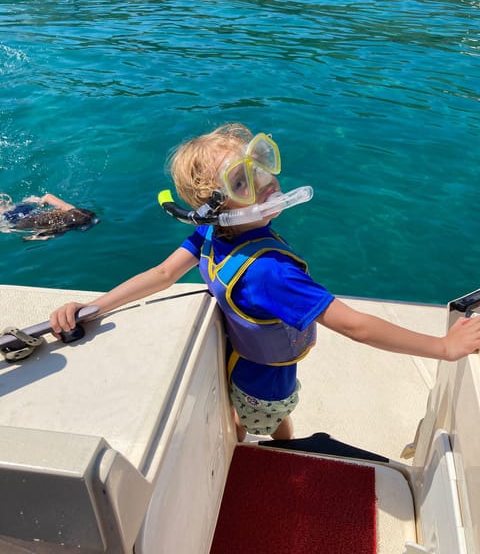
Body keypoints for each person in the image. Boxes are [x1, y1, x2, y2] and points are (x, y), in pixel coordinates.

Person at [49, 123, 480, 442]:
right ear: (218, 206)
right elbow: (355, 325)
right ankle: (281, 452)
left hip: (241, 358)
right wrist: (442, 348)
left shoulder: (212, 235)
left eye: (259, 164)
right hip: (265, 379)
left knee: (251, 418)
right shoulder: (271, 272)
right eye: (242, 180)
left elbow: (163, 275)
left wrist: (94, 307)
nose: (265, 181)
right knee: (267, 423)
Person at [0, 192, 98, 240]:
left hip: (27, 208)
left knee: (7, 207)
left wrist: (41, 203)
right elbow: (29, 238)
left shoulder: (69, 208)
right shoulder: (59, 230)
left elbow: (47, 196)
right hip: (18, 220)